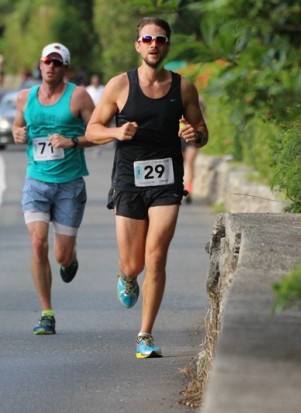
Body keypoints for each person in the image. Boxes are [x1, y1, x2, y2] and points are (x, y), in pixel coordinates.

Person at [85, 17, 208, 358]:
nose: (154, 44)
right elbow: (92, 129)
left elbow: (202, 131)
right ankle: (126, 277)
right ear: (138, 45)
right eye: (148, 39)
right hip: (128, 182)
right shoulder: (119, 85)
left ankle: (145, 335)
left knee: (156, 257)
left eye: (160, 39)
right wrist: (115, 132)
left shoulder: (183, 88)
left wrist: (194, 134)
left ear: (167, 46)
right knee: (133, 265)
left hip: (167, 181)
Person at [12, 42, 95, 335]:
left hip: (69, 184)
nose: (51, 67)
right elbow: (18, 127)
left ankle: (70, 259)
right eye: (47, 61)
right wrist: (17, 133)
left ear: (65, 68)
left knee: (61, 256)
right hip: (36, 181)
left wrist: (72, 141)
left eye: (57, 63)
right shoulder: (25, 97)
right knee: (38, 244)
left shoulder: (79, 97)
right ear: (40, 64)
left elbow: (99, 133)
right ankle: (47, 313)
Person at [180, 97, 205, 203]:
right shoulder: (173, 95)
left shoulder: (199, 100)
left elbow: (203, 119)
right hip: (178, 135)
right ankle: (179, 188)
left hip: (192, 134)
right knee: (180, 163)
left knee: (189, 164)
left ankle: (188, 191)